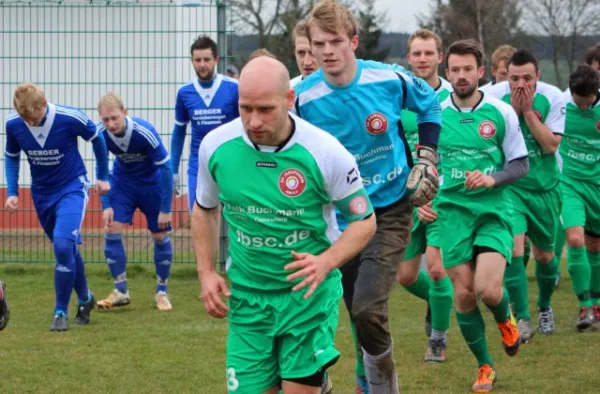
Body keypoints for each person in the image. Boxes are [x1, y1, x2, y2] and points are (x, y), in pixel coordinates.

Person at [192, 55, 376, 394]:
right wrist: (206, 271)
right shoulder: (216, 146)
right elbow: (205, 208)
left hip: (306, 297)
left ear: (289, 101)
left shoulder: (325, 152)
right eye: (245, 108)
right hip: (247, 299)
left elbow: (364, 221)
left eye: (265, 109)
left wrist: (327, 262)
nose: (253, 120)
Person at [294, 2, 442, 392]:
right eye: (318, 44)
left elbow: (429, 105)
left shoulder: (389, 79)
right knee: (357, 312)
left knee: (367, 308)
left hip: (391, 207)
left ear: (354, 42)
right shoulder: (302, 99)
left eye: (335, 42)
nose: (326, 52)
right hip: (340, 220)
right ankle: (356, 380)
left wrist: (427, 157)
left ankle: (381, 386)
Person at [437, 39, 527, 393]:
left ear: (481, 72)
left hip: (492, 208)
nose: (461, 76)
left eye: (467, 70)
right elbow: (425, 164)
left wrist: (493, 177)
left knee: (487, 290)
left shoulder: (500, 112)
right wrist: (425, 191)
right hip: (451, 211)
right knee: (463, 295)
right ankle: (485, 366)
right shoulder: (435, 113)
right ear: (448, 74)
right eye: (455, 70)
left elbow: (521, 163)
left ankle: (506, 319)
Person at [4, 83, 110, 332]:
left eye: (34, 117)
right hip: (42, 194)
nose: (30, 123)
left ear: (44, 104)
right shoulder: (14, 124)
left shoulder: (69, 117)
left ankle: (60, 311)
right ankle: (85, 299)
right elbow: (11, 155)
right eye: (25, 119)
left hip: (72, 187)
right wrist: (12, 192)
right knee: (67, 248)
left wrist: (103, 175)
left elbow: (97, 139)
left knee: (62, 245)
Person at [486, 49, 565, 342]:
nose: (520, 85)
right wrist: (513, 114)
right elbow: (493, 143)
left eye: (527, 78)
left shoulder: (553, 97)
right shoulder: (495, 99)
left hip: (544, 188)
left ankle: (544, 307)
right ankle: (523, 317)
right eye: (514, 78)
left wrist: (529, 113)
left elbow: (550, 146)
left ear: (538, 76)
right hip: (513, 188)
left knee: (545, 255)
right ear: (506, 76)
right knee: (515, 251)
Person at [395, 28, 453, 364]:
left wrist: (434, 191)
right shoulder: (399, 97)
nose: (422, 59)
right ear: (408, 58)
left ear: (439, 57)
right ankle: (439, 302)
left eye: (428, 53)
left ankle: (438, 340)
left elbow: (457, 152)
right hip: (410, 197)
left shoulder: (449, 99)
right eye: (416, 53)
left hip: (443, 197)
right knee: (404, 276)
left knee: (436, 268)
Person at [95, 93, 175, 311]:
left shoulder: (143, 131)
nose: (110, 124)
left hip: (152, 185)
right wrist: (107, 205)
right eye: (105, 120)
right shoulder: (100, 134)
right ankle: (120, 290)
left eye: (114, 118)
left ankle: (162, 291)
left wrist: (166, 209)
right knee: (110, 228)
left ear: (125, 113)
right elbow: (102, 170)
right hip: (123, 183)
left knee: (159, 235)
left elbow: (166, 168)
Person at [171, 35, 239, 213]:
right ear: (192, 61)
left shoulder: (233, 88)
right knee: (199, 220)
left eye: (207, 59)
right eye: (198, 60)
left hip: (230, 163)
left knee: (237, 221)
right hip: (198, 166)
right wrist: (173, 170)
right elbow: (178, 133)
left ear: (216, 59)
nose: (202, 64)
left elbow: (245, 127)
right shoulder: (184, 93)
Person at [559, 64, 600, 330]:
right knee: (575, 239)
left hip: (597, 183)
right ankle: (584, 305)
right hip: (569, 182)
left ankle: (595, 302)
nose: (583, 108)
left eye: (587, 104)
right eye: (578, 103)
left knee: (595, 247)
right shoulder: (560, 105)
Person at [290, 20, 318, 88]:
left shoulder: (341, 92)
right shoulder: (288, 90)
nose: (307, 62)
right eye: (301, 53)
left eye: (312, 53)